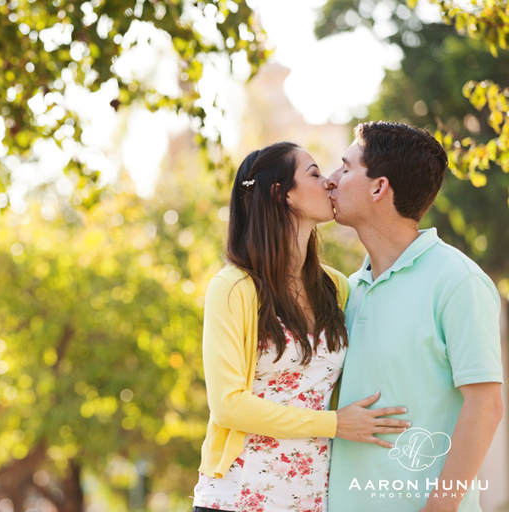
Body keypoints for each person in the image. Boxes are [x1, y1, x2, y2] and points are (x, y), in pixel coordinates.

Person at [192, 141, 410, 512]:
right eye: (314, 173)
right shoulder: (233, 288)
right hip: (237, 496)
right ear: (283, 195)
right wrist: (333, 424)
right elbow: (228, 405)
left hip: (312, 498)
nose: (328, 182)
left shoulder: (337, 287)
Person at [326, 121, 504, 512]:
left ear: (379, 187)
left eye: (345, 168)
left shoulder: (458, 282)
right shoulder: (349, 290)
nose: (330, 180)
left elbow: (487, 406)